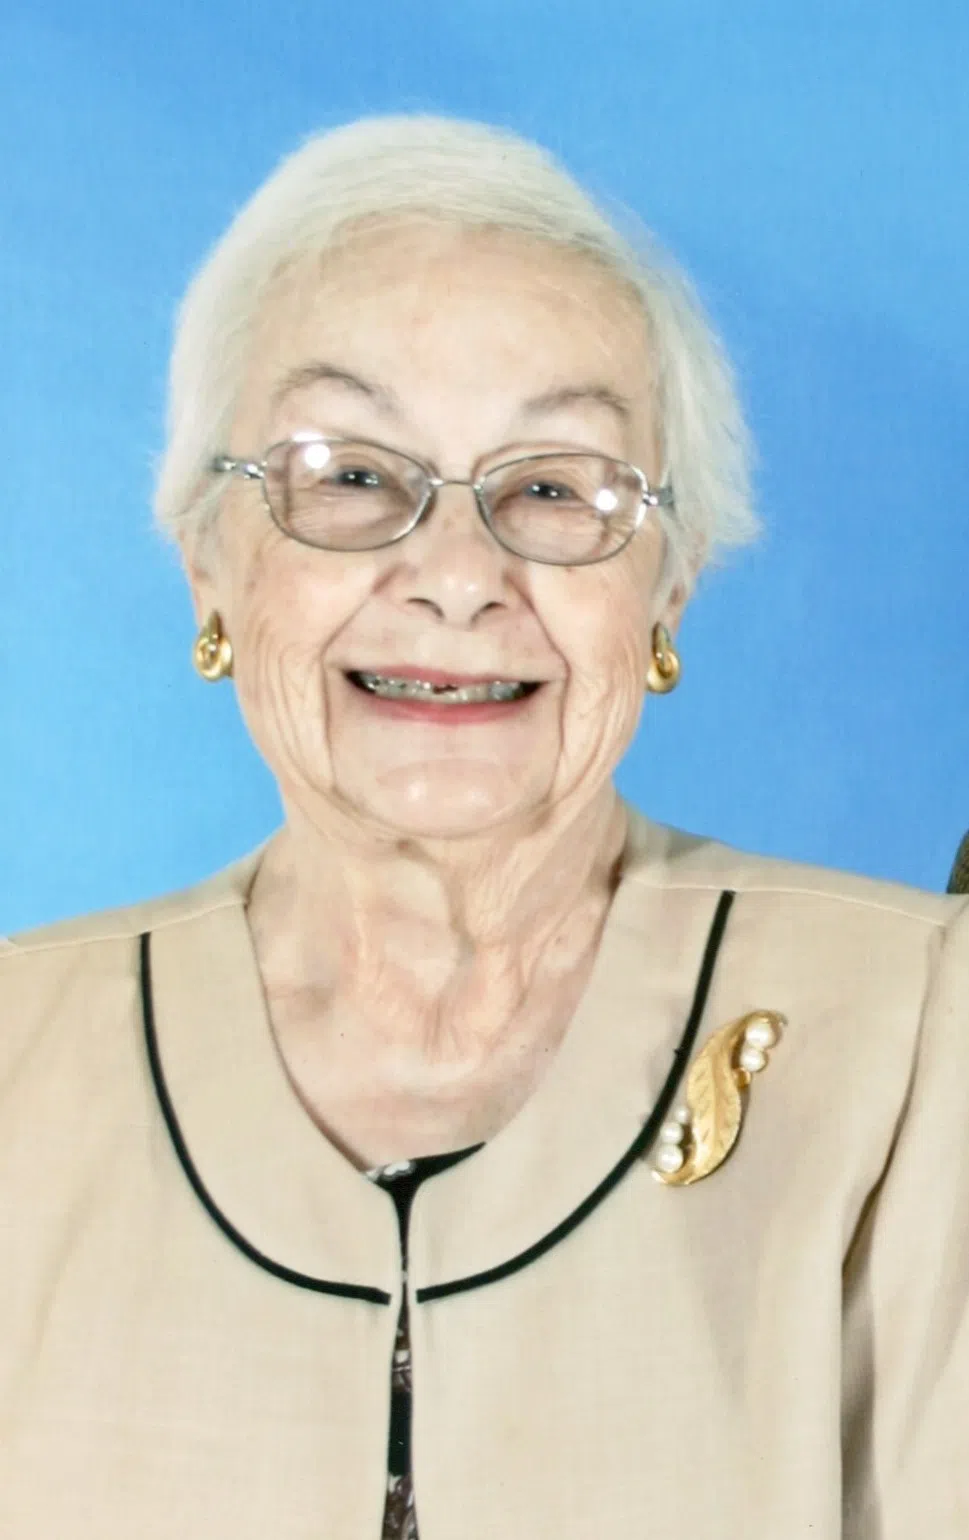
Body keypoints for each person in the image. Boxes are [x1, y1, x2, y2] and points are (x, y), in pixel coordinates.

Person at [1, 115, 966, 1540]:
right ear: (208, 564)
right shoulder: (20, 1067)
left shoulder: (924, 1040)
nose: (457, 575)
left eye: (556, 488)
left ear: (670, 586)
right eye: (349, 474)